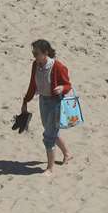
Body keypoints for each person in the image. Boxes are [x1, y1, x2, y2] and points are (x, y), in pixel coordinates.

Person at [20, 39, 72, 171]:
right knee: (51, 130)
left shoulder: (58, 67)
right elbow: (32, 84)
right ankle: (67, 153)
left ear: (45, 53)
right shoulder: (35, 65)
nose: (34, 56)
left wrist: (62, 88)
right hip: (43, 101)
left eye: (36, 53)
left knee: (48, 136)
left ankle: (50, 168)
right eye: (33, 53)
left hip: (56, 103)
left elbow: (68, 85)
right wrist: (25, 101)